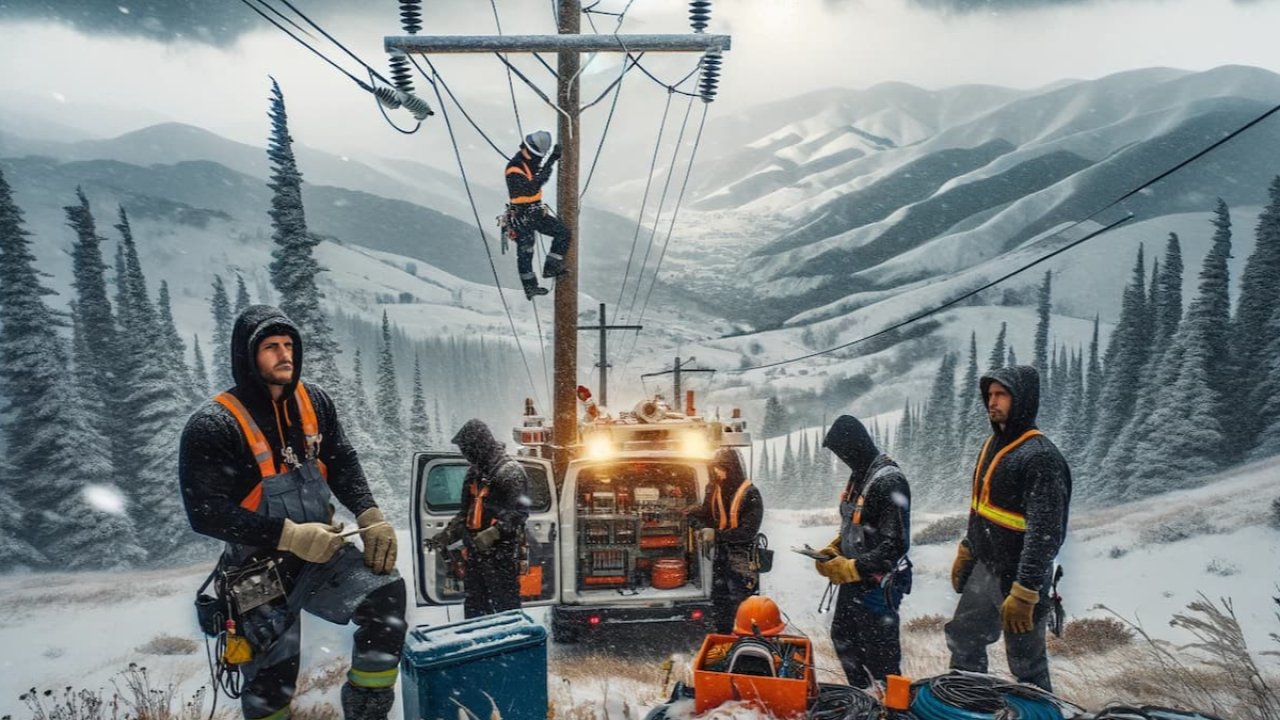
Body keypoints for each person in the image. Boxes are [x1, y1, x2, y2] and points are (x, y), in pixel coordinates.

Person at [179, 305, 406, 720]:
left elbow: (342, 459)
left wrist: (369, 512)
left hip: (323, 555)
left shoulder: (314, 403)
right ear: (247, 357)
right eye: (270, 347)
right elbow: (205, 512)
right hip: (258, 569)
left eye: (288, 345)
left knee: (385, 597)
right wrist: (290, 536)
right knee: (271, 682)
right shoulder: (213, 425)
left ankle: (368, 709)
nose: (284, 355)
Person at [945, 365, 1071, 692]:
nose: (992, 401)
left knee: (1026, 665)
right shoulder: (992, 445)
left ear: (1023, 400)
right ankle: (969, 706)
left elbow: (1046, 534)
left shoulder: (1040, 457)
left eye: (1001, 394)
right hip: (986, 569)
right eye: (989, 394)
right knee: (963, 639)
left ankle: (1042, 715)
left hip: (1020, 579)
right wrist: (968, 550)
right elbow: (981, 510)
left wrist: (1026, 591)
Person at [813, 415, 912, 689]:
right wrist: (835, 547)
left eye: (842, 452)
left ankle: (888, 708)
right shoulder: (860, 476)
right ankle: (863, 695)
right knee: (843, 636)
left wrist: (850, 568)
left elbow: (895, 544)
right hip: (857, 580)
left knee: (881, 657)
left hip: (879, 585)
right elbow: (858, 525)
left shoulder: (888, 481)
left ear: (854, 446)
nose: (841, 458)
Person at [428, 419, 531, 618]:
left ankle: (509, 644)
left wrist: (494, 533)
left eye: (467, 449)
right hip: (474, 554)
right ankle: (478, 643)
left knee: (506, 608)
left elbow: (519, 512)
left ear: (479, 445)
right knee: (475, 606)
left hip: (500, 555)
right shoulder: (473, 474)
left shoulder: (510, 472)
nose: (465, 455)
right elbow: (465, 513)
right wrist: (447, 534)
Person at [687, 447, 764, 634]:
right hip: (722, 554)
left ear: (732, 469)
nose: (716, 472)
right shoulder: (715, 489)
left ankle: (744, 640)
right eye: (715, 468)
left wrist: (717, 535)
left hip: (743, 557)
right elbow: (707, 513)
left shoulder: (750, 494)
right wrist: (693, 515)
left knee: (742, 602)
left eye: (720, 468)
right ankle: (723, 637)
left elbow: (748, 532)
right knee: (720, 598)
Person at [502, 129, 572, 300]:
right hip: (521, 215)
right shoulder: (514, 168)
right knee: (526, 249)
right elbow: (534, 185)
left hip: (534, 211)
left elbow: (538, 178)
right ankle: (530, 287)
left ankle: (551, 266)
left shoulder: (529, 163)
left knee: (563, 232)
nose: (539, 160)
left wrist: (551, 160)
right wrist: (551, 161)